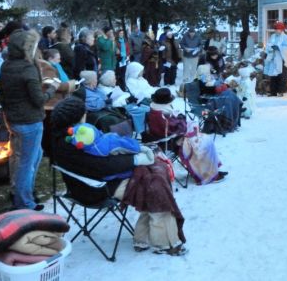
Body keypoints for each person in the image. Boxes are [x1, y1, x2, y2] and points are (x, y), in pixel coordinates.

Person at [49, 97, 186, 255]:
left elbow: (101, 157)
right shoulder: (72, 143)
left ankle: (146, 237)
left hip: (92, 182)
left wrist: (132, 154)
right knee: (155, 184)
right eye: (83, 113)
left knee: (156, 173)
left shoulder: (71, 137)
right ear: (77, 117)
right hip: (95, 189)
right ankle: (163, 241)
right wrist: (134, 159)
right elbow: (101, 167)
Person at [0, 30, 59, 211]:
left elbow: (3, 91)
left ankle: (26, 192)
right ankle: (24, 201)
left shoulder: (7, 65)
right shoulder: (28, 68)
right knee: (27, 162)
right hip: (29, 121)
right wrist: (53, 88)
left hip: (14, 119)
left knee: (35, 156)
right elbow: (39, 100)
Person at [147, 88, 226, 185]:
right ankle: (206, 174)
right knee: (203, 145)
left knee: (206, 140)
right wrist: (182, 121)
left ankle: (212, 170)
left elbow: (175, 123)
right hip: (171, 142)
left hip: (176, 137)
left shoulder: (159, 108)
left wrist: (181, 120)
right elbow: (173, 128)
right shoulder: (159, 114)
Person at [263, 21, 287, 96]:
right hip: (273, 58)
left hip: (282, 59)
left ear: (281, 29)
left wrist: (279, 48)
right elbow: (268, 44)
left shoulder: (285, 37)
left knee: (281, 76)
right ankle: (273, 91)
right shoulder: (273, 36)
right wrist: (270, 48)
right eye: (275, 29)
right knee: (273, 75)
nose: (276, 30)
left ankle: (280, 91)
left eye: (277, 29)